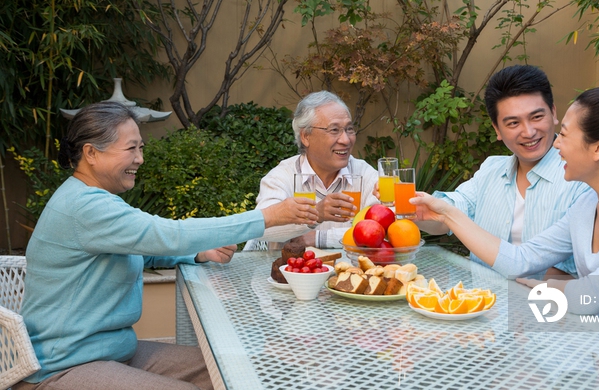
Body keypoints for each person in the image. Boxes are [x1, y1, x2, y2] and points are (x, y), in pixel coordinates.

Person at [17, 102, 318, 389]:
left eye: (141, 148)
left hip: (111, 352)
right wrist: (268, 217)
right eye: (131, 148)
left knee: (235, 369)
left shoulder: (91, 199)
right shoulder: (85, 206)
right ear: (91, 153)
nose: (140, 159)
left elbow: (141, 248)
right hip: (62, 368)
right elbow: (170, 234)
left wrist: (198, 253)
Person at [412, 86, 599, 360]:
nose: (556, 144)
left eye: (564, 134)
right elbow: (521, 259)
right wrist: (447, 213)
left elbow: (589, 297)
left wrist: (543, 289)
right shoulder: (587, 207)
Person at [420, 65, 590, 277]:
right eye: (513, 123)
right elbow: (445, 217)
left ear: (554, 113)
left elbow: (574, 272)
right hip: (478, 306)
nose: (528, 132)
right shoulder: (491, 170)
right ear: (497, 129)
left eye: (537, 117)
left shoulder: (582, 178)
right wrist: (413, 210)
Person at [244, 91, 379, 250]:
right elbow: (263, 228)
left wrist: (318, 238)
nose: (346, 140)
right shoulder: (281, 177)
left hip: (348, 272)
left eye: (349, 129)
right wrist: (316, 213)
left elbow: (382, 229)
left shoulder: (364, 173)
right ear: (305, 136)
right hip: (288, 272)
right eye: (334, 130)